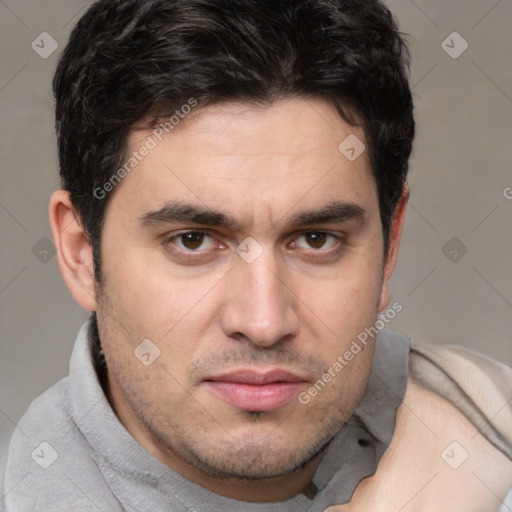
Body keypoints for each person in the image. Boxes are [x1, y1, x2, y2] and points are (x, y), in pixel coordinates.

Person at [2, 0, 511, 510]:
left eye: (316, 239)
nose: (264, 322)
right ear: (81, 253)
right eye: (193, 240)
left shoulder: (487, 414)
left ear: (390, 243)